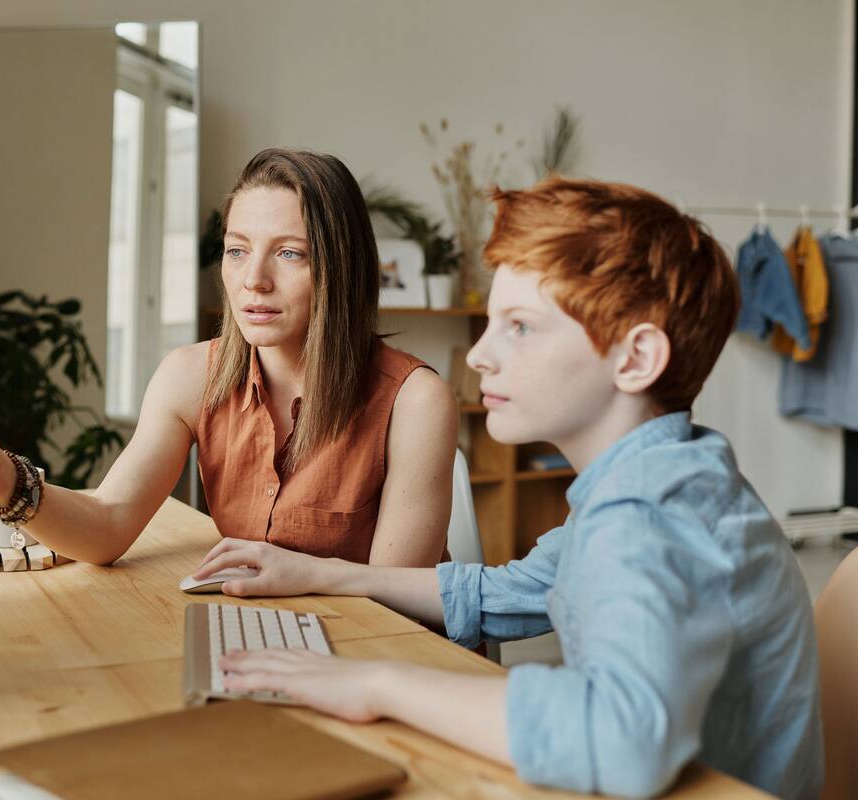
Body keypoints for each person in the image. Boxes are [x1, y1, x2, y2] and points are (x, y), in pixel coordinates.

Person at [196, 177, 823, 799]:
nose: (479, 356)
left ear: (635, 359)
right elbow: (508, 591)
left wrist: (376, 685)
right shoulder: (664, 475)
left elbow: (620, 741)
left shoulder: (649, 512)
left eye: (519, 327)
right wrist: (321, 573)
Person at [0, 148, 457, 567]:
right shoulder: (191, 376)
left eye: (290, 253)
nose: (253, 279)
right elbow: (108, 525)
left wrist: (295, 578)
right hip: (267, 637)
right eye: (237, 250)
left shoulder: (415, 401)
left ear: (343, 268)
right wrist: (5, 481)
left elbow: (396, 602)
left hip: (380, 656)